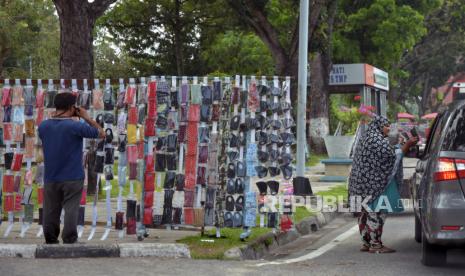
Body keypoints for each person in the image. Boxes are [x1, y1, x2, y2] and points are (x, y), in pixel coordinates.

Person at [38, 92, 104, 244]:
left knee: (50, 210)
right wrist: (86, 117)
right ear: (71, 107)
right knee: (71, 209)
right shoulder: (76, 126)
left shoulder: (43, 126)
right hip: (73, 176)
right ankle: (69, 238)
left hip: (51, 176)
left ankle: (50, 238)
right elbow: (101, 134)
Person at [348, 116, 417, 253]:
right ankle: (376, 245)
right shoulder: (376, 140)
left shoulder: (368, 137)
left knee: (365, 212)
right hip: (374, 184)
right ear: (379, 126)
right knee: (377, 212)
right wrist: (407, 145)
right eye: (386, 126)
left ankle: (366, 243)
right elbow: (392, 156)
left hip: (360, 183)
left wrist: (400, 145)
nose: (388, 129)